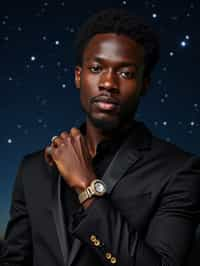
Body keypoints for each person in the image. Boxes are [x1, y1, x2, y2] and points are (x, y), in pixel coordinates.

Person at [0, 7, 200, 266]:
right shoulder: (32, 168)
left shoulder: (180, 171)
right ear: (78, 77)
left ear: (145, 84)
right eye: (96, 68)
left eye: (126, 73)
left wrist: (87, 186)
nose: (108, 83)